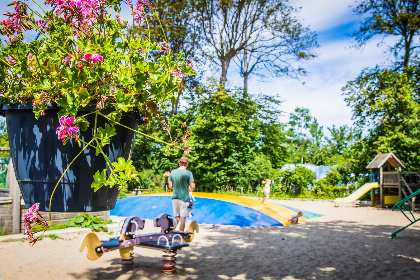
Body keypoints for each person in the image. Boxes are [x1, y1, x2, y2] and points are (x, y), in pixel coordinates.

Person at [168, 156, 195, 231]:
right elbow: (192, 186)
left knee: (176, 217)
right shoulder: (188, 173)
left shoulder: (173, 172)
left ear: (179, 163)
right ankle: (181, 237)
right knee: (183, 219)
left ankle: (172, 233)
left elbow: (170, 186)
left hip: (175, 198)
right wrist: (192, 185)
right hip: (184, 199)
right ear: (187, 163)